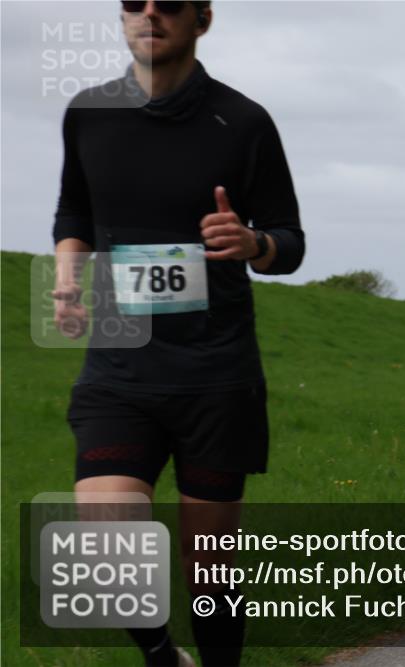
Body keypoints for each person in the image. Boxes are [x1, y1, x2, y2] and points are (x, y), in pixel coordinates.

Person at [50, 2, 305, 665]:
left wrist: (252, 241)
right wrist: (67, 278)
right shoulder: (87, 112)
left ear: (203, 19)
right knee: (106, 542)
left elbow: (291, 240)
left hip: (214, 374)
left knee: (210, 570)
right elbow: (73, 208)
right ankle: (164, 656)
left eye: (170, 3)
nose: (150, 12)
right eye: (135, 1)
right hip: (119, 367)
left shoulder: (243, 121)